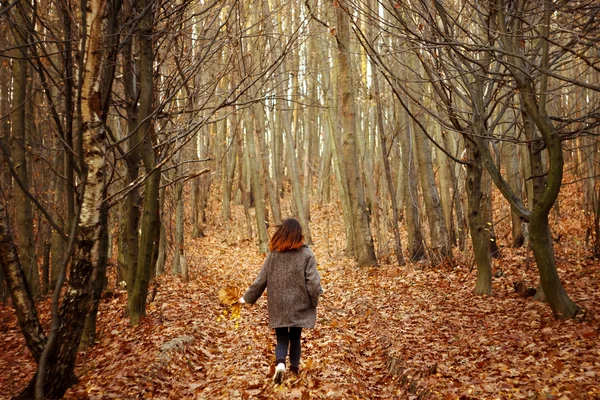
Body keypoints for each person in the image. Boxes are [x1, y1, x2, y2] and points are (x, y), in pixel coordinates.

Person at [239, 218, 322, 384]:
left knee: (282, 337)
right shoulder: (306, 254)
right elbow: (313, 282)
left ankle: (280, 364)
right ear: (299, 234)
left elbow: (261, 279)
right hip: (299, 302)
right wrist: (315, 300)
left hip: (278, 303)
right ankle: (294, 370)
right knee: (296, 337)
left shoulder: (274, 254)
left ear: (282, 233)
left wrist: (246, 298)